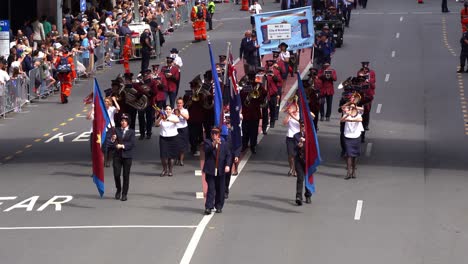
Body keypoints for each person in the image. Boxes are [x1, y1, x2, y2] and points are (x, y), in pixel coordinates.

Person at [203, 127, 232, 215]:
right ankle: (208, 207)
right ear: (211, 134)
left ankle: (219, 206)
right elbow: (206, 150)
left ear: (219, 134)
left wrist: (227, 165)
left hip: (221, 170)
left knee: (220, 189)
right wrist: (214, 144)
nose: (215, 135)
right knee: (211, 189)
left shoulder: (224, 144)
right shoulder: (207, 142)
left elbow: (228, 155)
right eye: (213, 134)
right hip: (210, 170)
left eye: (216, 134)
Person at [110, 113, 136, 201]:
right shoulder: (116, 130)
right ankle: (118, 189)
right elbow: (112, 141)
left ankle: (124, 193)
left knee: (126, 175)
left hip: (127, 156)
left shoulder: (132, 132)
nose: (123, 122)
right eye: (122, 121)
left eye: (125, 121)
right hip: (117, 156)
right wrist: (113, 139)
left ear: (128, 122)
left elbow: (132, 144)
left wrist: (122, 146)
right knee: (116, 174)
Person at [340, 103, 364, 179]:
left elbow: (360, 119)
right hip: (348, 136)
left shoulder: (359, 113)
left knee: (355, 155)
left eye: (352, 107)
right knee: (348, 154)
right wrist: (347, 114)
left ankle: (353, 171)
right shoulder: (346, 112)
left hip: (356, 136)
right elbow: (342, 120)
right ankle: (348, 172)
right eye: (350, 107)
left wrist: (351, 119)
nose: (351, 108)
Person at [155, 105, 180, 177]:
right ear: (164, 110)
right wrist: (160, 117)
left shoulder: (174, 116)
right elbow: (156, 124)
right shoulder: (162, 116)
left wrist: (168, 119)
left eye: (169, 109)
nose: (168, 110)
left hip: (173, 138)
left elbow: (177, 121)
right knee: (163, 156)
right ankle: (164, 170)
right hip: (163, 138)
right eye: (166, 109)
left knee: (171, 155)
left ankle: (170, 170)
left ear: (171, 110)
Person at [294, 122, 311, 205]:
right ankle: (298, 197)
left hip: (308, 160)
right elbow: (295, 147)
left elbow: (312, 147)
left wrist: (305, 142)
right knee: (300, 178)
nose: (303, 128)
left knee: (308, 178)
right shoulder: (296, 135)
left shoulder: (310, 136)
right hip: (299, 159)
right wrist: (299, 144)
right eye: (301, 126)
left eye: (304, 126)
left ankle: (308, 195)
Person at [283, 100, 300, 177]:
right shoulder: (289, 116)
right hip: (289, 136)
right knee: (290, 155)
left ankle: (295, 170)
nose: (292, 109)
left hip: (298, 137)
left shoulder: (300, 115)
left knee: (297, 155)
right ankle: (291, 168)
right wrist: (289, 116)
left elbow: (301, 123)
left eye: (294, 107)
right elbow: (284, 123)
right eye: (291, 107)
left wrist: (294, 116)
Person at [175, 98, 190, 166]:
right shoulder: (173, 110)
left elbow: (187, 118)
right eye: (178, 103)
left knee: (183, 145)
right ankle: (176, 159)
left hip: (183, 129)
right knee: (176, 145)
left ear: (183, 104)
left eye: (180, 103)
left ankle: (181, 160)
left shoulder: (185, 110)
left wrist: (180, 113)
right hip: (175, 129)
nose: (179, 104)